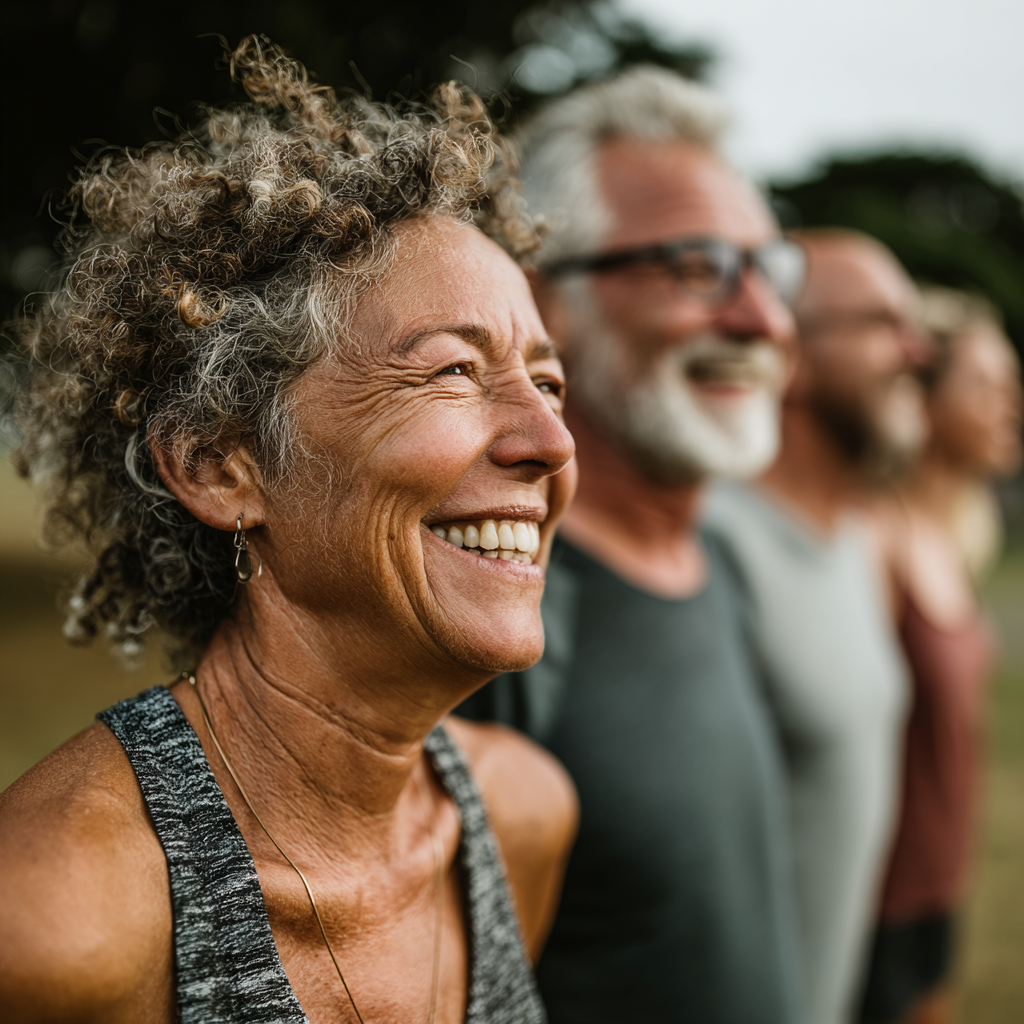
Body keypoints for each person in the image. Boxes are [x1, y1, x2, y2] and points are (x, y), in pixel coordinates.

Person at [0, 39, 580, 1024]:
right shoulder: (57, 920)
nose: (550, 440)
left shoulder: (521, 819)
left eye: (551, 382)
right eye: (451, 370)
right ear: (221, 466)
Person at [458, 66, 804, 1024]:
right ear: (544, 301)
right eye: (696, 267)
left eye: (768, 268)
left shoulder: (716, 563)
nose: (764, 320)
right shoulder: (498, 613)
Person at [704, 228, 926, 1024]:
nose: (918, 350)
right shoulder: (715, 547)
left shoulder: (858, 540)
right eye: (882, 323)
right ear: (788, 355)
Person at [858, 288, 1023, 1024]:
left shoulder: (963, 537)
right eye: (987, 385)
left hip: (940, 886)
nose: (1011, 404)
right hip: (875, 900)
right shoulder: (873, 543)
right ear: (922, 399)